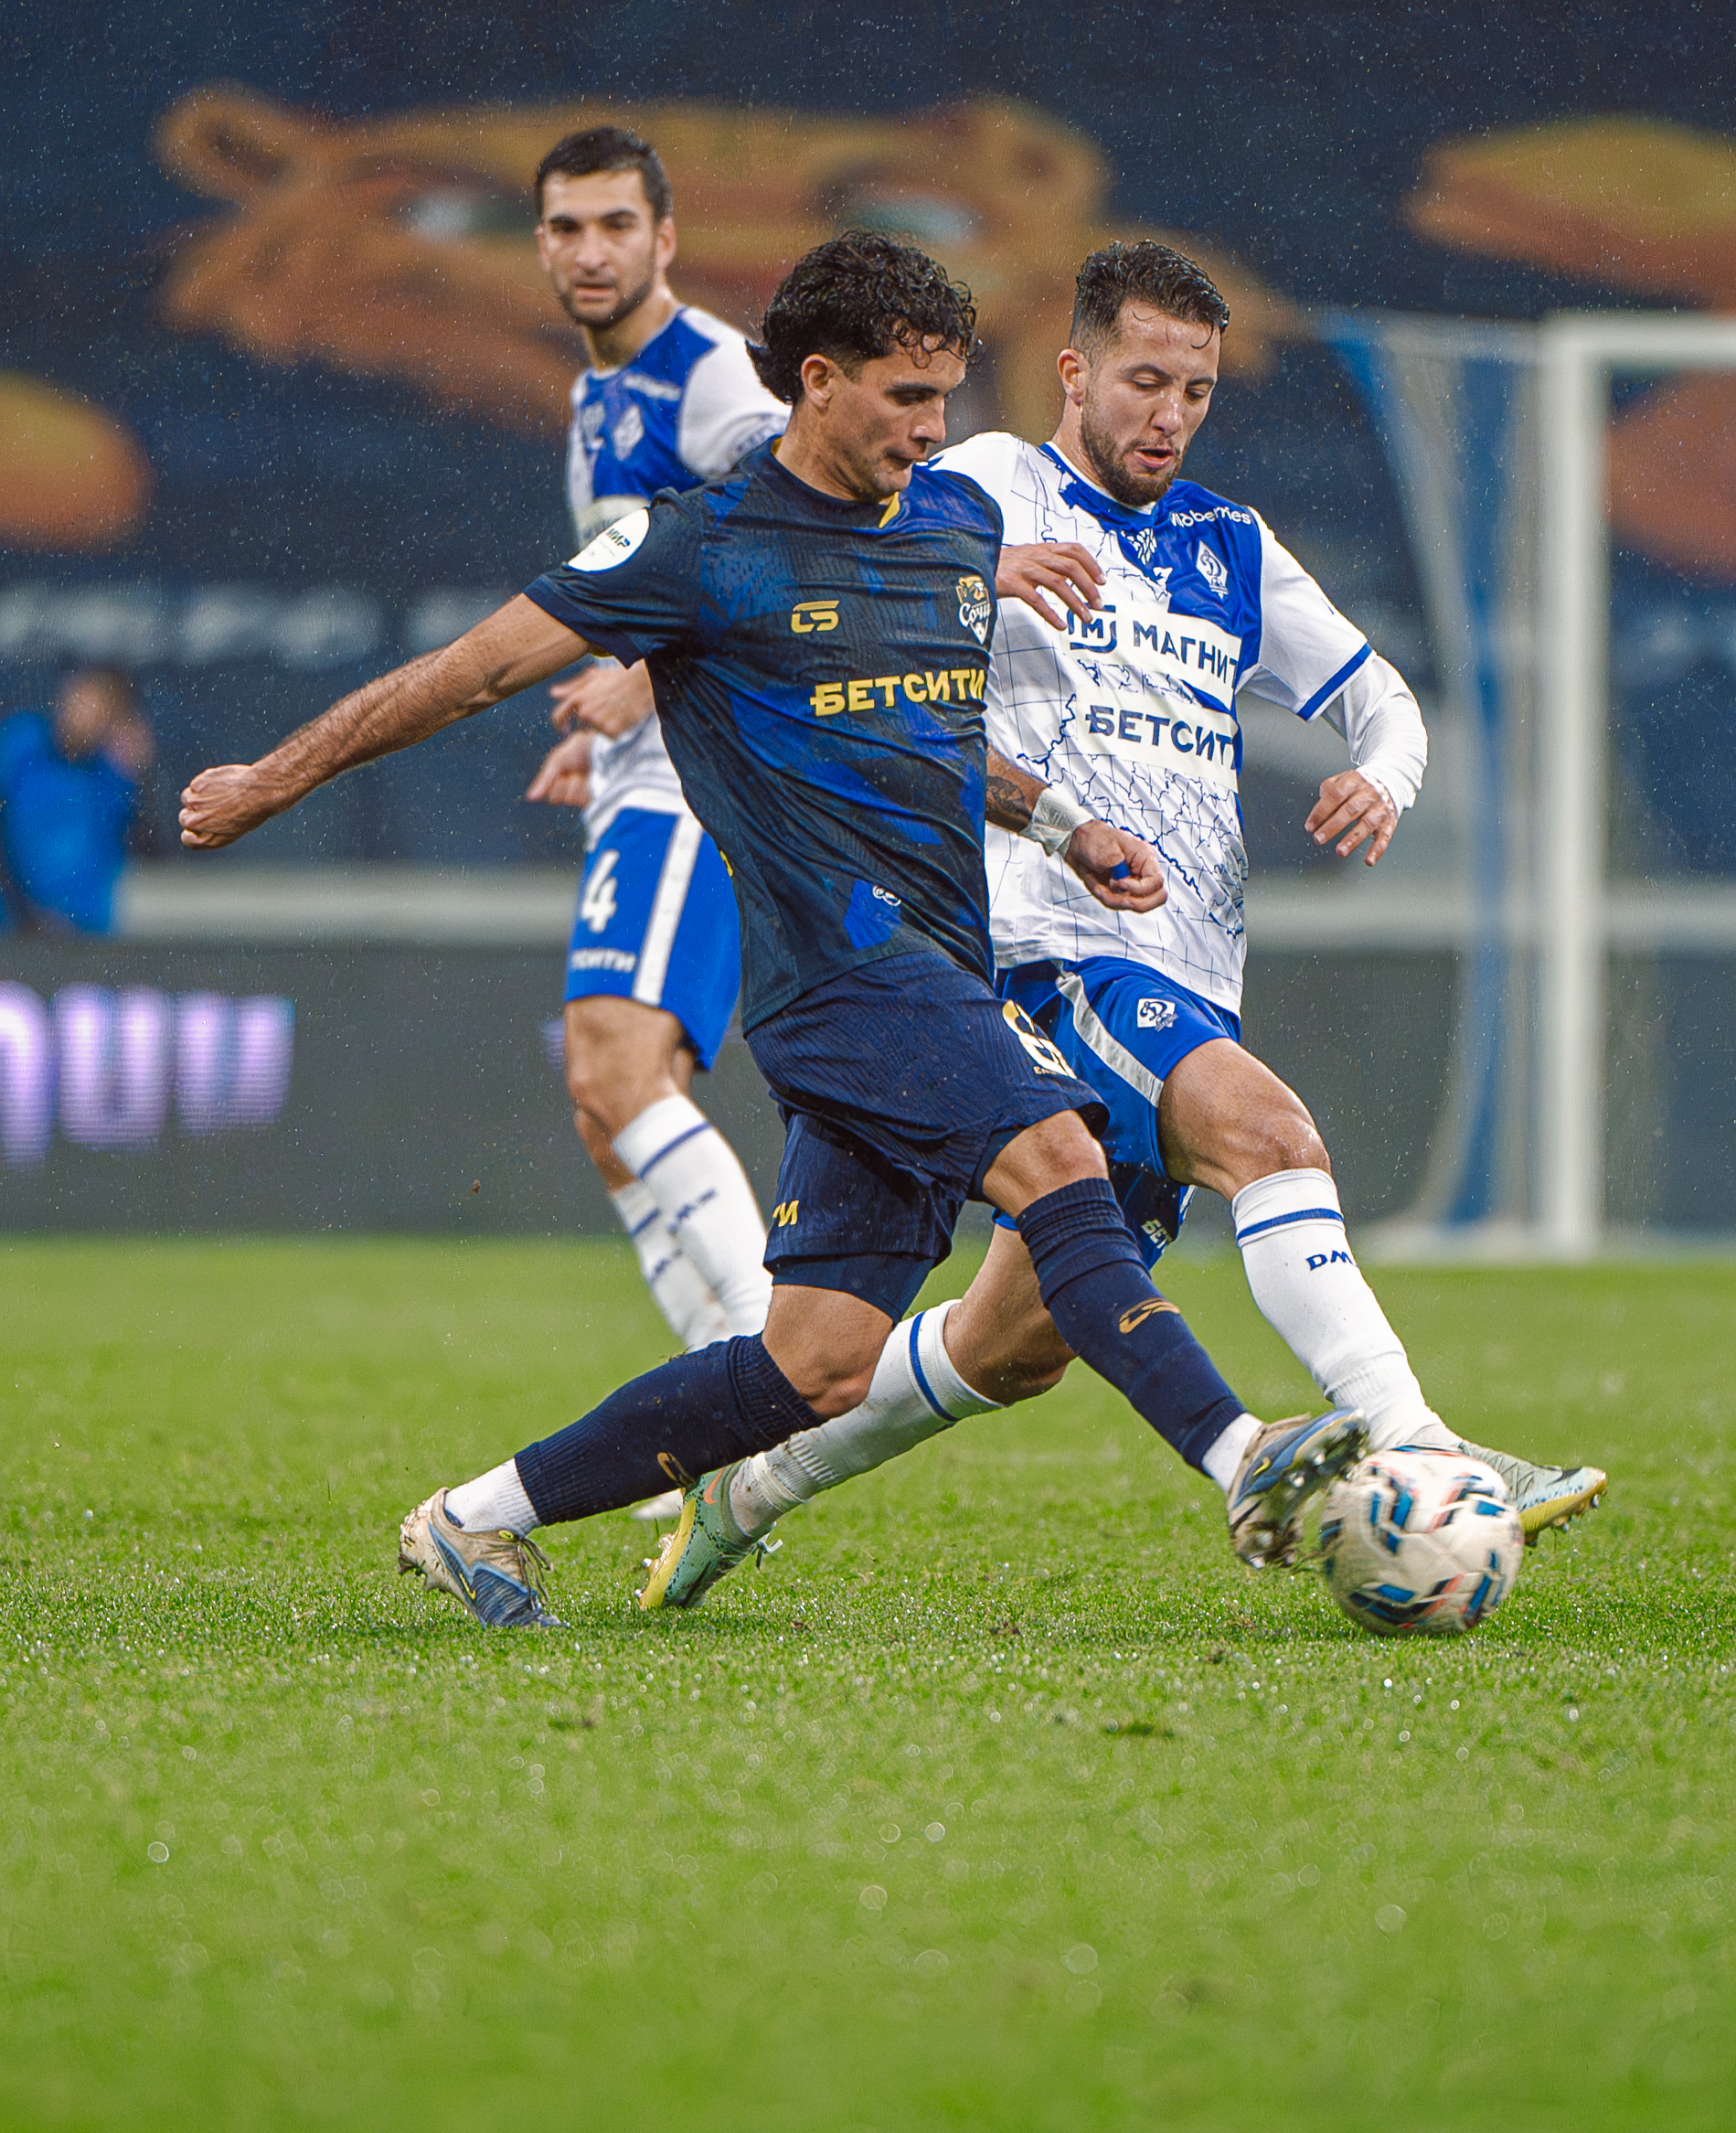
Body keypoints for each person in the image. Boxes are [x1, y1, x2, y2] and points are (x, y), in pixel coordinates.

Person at [181, 232, 1370, 1630]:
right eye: (905, 398)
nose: (931, 429)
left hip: (934, 964)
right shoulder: (700, 546)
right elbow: (469, 673)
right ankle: (1242, 1457)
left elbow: (918, 729)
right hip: (842, 975)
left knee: (812, 1363)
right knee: (1061, 1162)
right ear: (815, 382)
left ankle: (473, 1517)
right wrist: (272, 780)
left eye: (943, 398)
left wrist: (1059, 825)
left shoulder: (948, 523)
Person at [643, 240, 1608, 1612]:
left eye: (1194, 391)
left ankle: (741, 1492)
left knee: (1011, 1344)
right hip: (1042, 945)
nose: (1168, 415)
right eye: (1144, 381)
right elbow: (827, 552)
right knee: (1269, 1134)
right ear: (1075, 371)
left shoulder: (1230, 544)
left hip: (1192, 963)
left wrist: (1380, 777)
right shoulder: (989, 481)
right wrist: (965, 564)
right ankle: (1422, 1446)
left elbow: (1381, 700)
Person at [523, 126, 788, 1350]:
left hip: (705, 760)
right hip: (642, 760)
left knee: (617, 1068)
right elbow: (651, 572)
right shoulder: (594, 392)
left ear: (665, 238)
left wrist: (648, 676)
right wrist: (606, 703)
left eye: (616, 225)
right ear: (540, 245)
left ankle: (768, 1366)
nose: (592, 251)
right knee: (606, 1103)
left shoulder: (711, 372)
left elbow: (797, 526)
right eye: (567, 227)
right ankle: (717, 1378)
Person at [0, 668, 154, 934]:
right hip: (16, 924)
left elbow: (147, 836)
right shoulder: (23, 743)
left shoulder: (109, 774)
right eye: (78, 702)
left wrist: (140, 768)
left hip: (83, 928)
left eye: (97, 710)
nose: (82, 716)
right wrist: (25, 910)